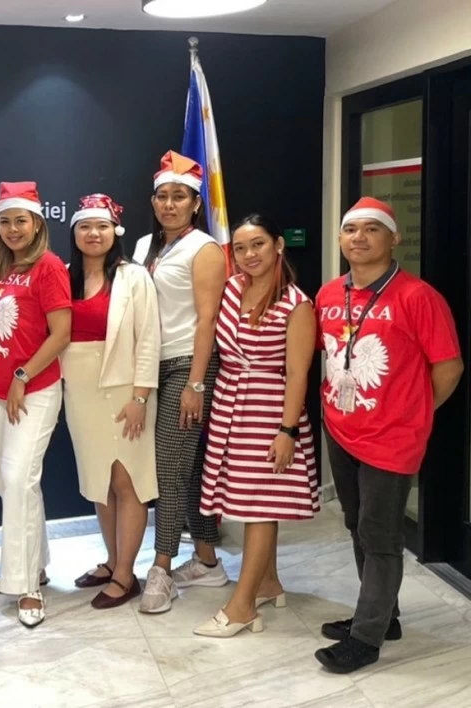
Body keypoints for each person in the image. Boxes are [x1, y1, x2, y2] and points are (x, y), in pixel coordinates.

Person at [313, 197, 463, 673]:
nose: (359, 237)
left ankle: (366, 637)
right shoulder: (329, 294)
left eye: (371, 229)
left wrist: (411, 412)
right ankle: (383, 614)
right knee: (358, 524)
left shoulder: (418, 297)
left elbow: (449, 367)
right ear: (340, 239)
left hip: (392, 436)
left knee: (381, 534)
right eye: (350, 229)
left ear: (393, 238)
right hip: (341, 428)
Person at [194, 215, 320, 638]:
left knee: (259, 506)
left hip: (269, 411)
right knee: (243, 499)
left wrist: (287, 432)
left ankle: (243, 606)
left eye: (258, 245)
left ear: (279, 245)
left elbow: (298, 375)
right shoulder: (231, 290)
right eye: (241, 248)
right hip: (231, 405)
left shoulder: (296, 304)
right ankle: (268, 583)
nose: (249, 255)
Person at [132, 151, 228, 614]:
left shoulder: (204, 249)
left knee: (168, 469)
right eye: (163, 196)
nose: (169, 204)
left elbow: (207, 318)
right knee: (184, 466)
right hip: (149, 367)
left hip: (189, 365)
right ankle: (208, 561)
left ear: (195, 204)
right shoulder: (142, 247)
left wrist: (196, 385)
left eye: (179, 197)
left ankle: (161, 567)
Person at [0, 181, 72, 627]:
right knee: (13, 483)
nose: (13, 229)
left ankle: (26, 586)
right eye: (5, 221)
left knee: (18, 479)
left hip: (32, 391)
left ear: (37, 223)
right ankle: (34, 562)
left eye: (21, 220)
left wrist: (22, 374)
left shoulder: (49, 267)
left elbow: (61, 334)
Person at [61, 194, 160, 610]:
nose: (93, 234)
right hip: (80, 389)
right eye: (85, 226)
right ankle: (112, 561)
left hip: (125, 389)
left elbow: (149, 337)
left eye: (101, 226)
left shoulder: (133, 277)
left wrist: (140, 395)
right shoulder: (64, 275)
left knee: (127, 480)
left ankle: (126, 575)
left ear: (114, 231)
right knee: (100, 483)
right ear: (75, 233)